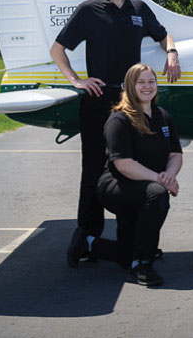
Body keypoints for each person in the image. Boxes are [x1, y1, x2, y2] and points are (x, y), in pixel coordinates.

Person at [52, 0, 181, 263]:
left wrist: (172, 53)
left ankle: (135, 242)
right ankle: (86, 236)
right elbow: (58, 49)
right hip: (98, 101)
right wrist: (77, 81)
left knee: (132, 171)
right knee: (93, 171)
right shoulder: (89, 9)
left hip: (130, 103)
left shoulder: (138, 8)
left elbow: (164, 35)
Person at [66, 63, 181, 286]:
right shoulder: (119, 120)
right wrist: (161, 180)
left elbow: (176, 153)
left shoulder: (162, 116)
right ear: (130, 86)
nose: (147, 86)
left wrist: (170, 174)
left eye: (151, 81)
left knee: (129, 253)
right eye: (141, 82)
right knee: (157, 195)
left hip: (145, 186)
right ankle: (142, 266)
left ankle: (88, 243)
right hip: (117, 186)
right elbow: (124, 164)